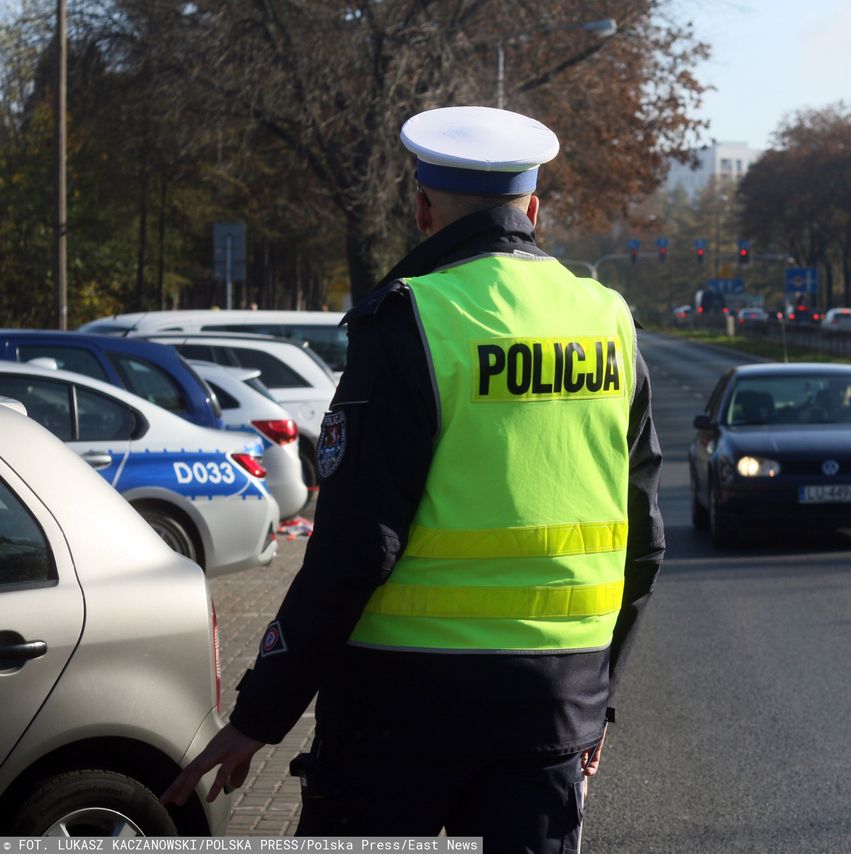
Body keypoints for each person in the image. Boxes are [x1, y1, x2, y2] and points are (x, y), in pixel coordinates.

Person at [162, 106, 666, 848]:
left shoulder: (412, 319)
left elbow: (355, 545)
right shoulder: (610, 320)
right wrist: (595, 703)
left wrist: (258, 716)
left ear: (423, 208)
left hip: (397, 709)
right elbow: (644, 540)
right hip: (553, 709)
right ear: (532, 209)